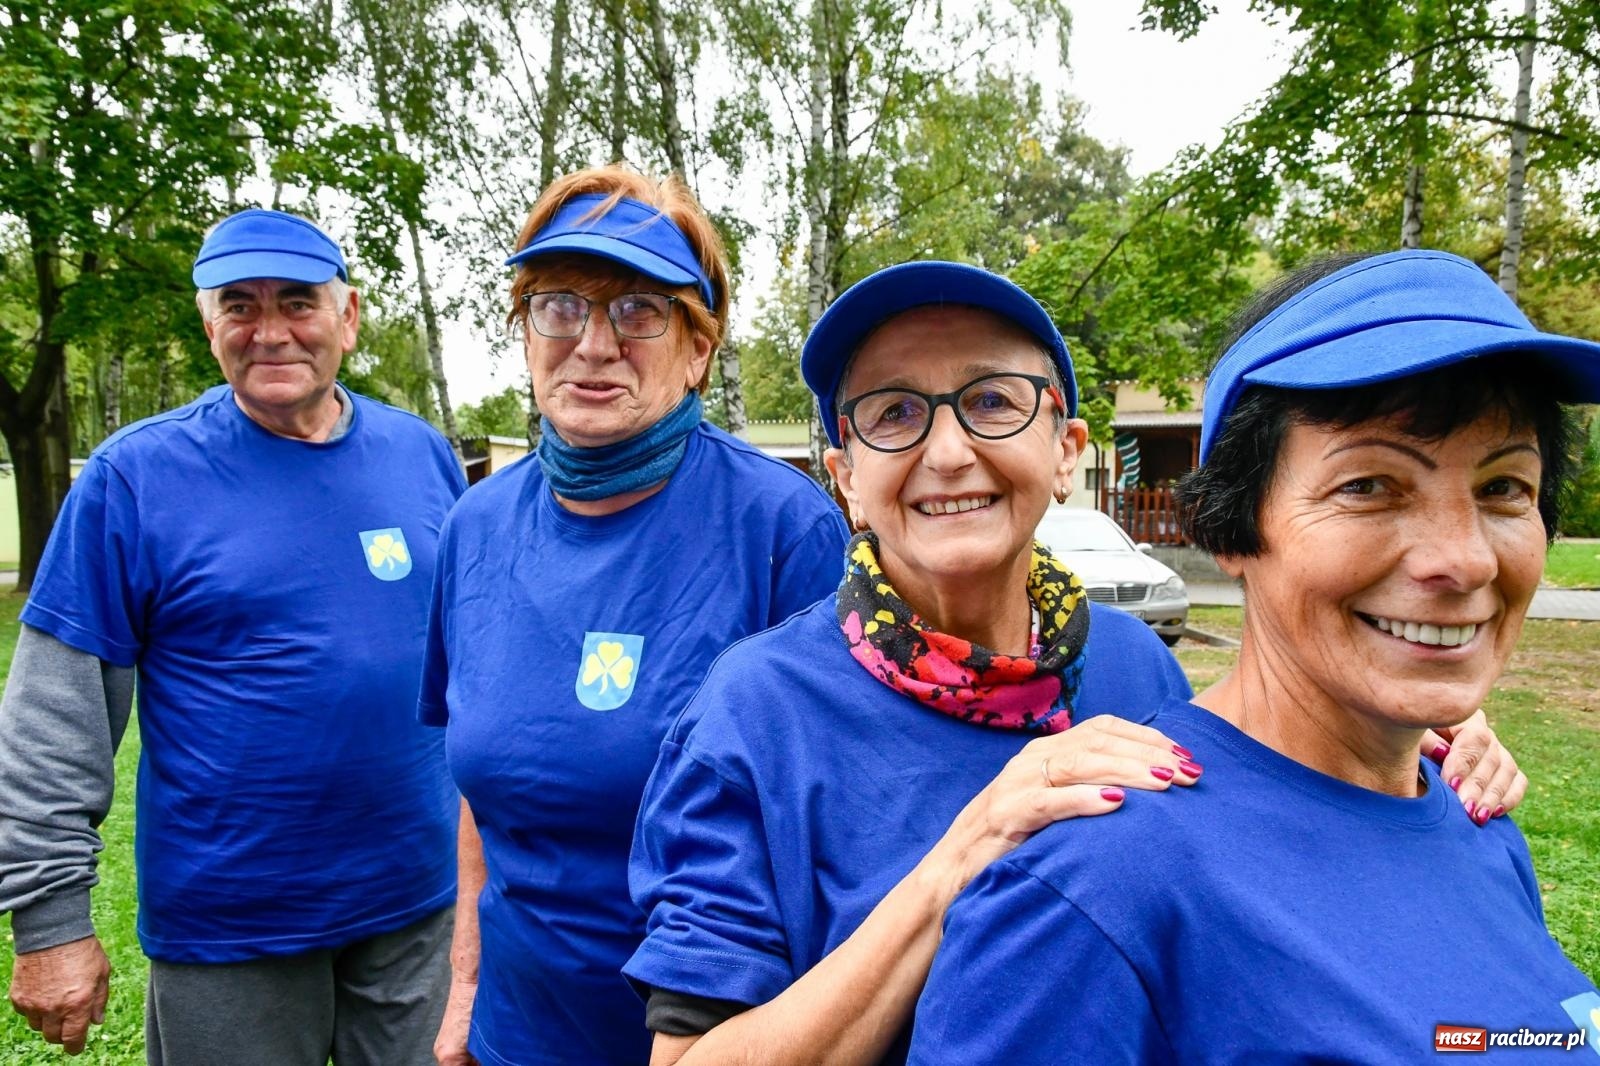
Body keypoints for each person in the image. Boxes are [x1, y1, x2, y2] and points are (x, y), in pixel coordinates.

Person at [907, 249, 1599, 1065]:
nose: (1467, 560)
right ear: (1230, 526)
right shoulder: (1092, 897)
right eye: (1370, 486)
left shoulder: (1481, 826)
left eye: (1504, 488)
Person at [623, 261, 1204, 1066]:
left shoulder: (1138, 668)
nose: (950, 450)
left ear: (1067, 451)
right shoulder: (753, 715)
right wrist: (969, 851)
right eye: (895, 412)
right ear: (847, 478)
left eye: (993, 401)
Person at [0, 209, 465, 1064]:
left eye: (298, 302)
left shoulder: (420, 454)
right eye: (240, 307)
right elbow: (54, 714)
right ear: (208, 325)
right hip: (233, 927)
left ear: (349, 316)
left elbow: (467, 665)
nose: (271, 331)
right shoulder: (136, 479)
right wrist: (51, 919)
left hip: (416, 911)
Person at [420, 166, 850, 1066]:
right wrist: (463, 986)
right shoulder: (475, 526)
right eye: (560, 306)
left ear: (698, 349)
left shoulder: (780, 526)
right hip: (519, 1033)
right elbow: (480, 788)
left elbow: (836, 828)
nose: (593, 344)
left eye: (639, 310)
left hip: (717, 1042)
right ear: (525, 328)